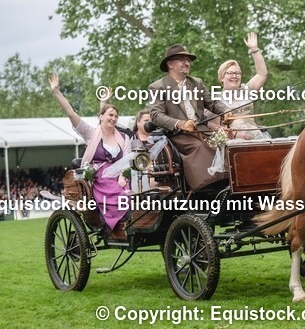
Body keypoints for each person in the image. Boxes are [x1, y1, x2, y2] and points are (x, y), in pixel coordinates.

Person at [49, 74, 129, 233]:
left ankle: (131, 222)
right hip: (100, 178)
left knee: (137, 191)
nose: (113, 118)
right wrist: (57, 91)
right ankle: (115, 223)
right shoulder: (91, 134)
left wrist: (122, 176)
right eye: (110, 115)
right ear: (101, 117)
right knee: (117, 191)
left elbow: (127, 161)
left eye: (115, 116)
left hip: (120, 176)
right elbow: (71, 113)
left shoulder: (123, 138)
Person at [147, 44, 230, 191]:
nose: (186, 63)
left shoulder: (196, 83)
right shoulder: (157, 87)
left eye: (188, 60)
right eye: (181, 59)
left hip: (202, 130)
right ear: (170, 64)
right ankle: (209, 189)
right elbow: (155, 116)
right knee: (201, 147)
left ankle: (231, 185)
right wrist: (180, 123)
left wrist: (226, 111)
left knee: (228, 143)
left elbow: (212, 103)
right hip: (179, 136)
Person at [217, 32, 270, 141]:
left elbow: (262, 74)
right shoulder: (215, 100)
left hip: (256, 136)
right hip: (233, 140)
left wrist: (254, 50)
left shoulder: (247, 90)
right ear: (222, 77)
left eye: (237, 73)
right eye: (230, 73)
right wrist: (235, 134)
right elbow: (213, 126)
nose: (234, 76)